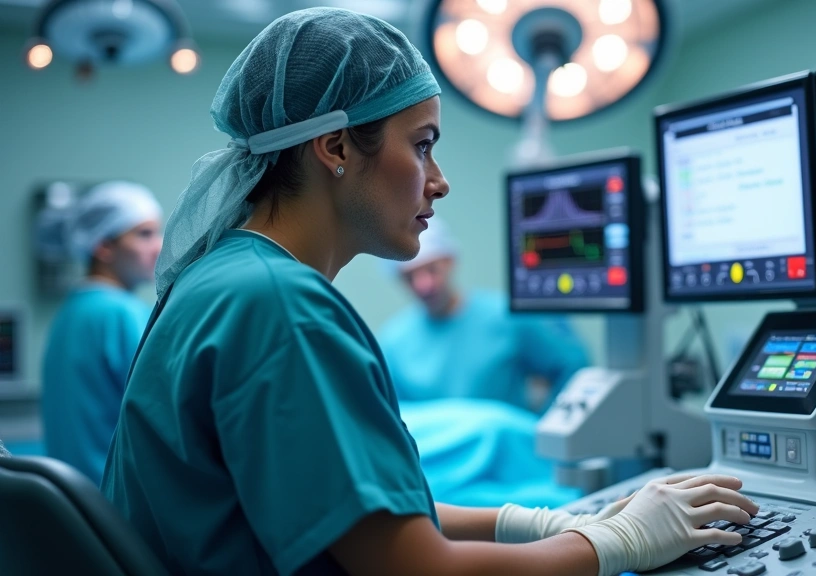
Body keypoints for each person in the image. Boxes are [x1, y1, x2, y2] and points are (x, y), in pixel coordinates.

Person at [101, 9, 757, 576]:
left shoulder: (226, 279)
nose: (438, 182)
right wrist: (615, 542)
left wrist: (526, 526)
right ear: (335, 147)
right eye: (422, 146)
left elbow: (357, 508)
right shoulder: (281, 307)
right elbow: (416, 568)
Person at [378, 218, 590, 412]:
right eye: (409, 277)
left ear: (450, 261)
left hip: (507, 451)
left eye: (431, 269)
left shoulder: (506, 316)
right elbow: (398, 419)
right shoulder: (394, 343)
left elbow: (570, 367)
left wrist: (540, 434)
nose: (423, 285)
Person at [40, 181, 162, 485]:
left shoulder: (72, 310)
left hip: (77, 506)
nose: (159, 246)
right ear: (104, 246)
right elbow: (164, 417)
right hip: (117, 505)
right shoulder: (120, 313)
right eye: (144, 234)